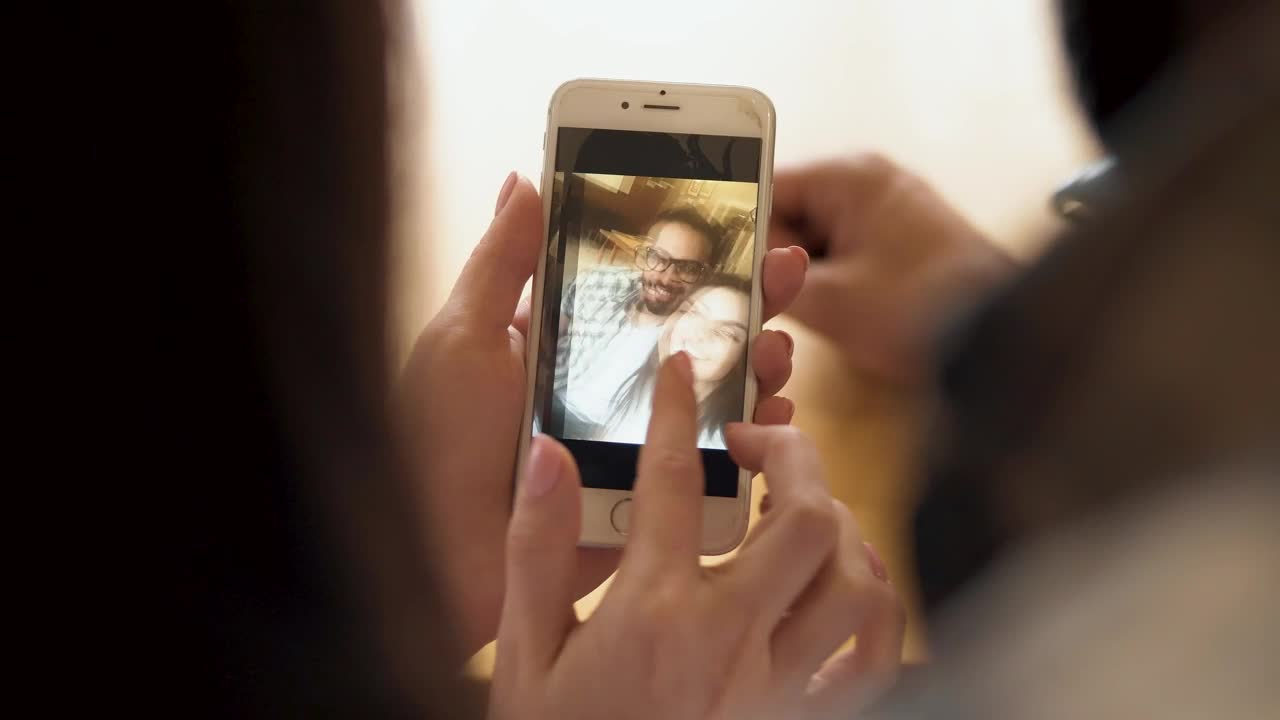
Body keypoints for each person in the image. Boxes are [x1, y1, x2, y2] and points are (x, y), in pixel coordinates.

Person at [556, 206, 741, 441]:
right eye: (657, 257)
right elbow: (553, 334)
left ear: (706, 275)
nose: (666, 277)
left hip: (608, 435)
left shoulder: (694, 340)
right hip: (551, 400)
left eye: (688, 268)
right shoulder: (597, 283)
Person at [599, 275, 752, 448]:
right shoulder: (642, 376)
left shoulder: (724, 443)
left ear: (742, 357)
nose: (698, 334)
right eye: (694, 312)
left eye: (728, 333)